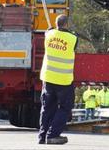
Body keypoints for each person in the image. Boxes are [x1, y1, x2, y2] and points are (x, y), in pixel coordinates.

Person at [39, 14, 77, 145]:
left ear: (56, 23)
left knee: (47, 107)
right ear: (66, 24)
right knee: (65, 107)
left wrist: (52, 30)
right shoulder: (73, 38)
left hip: (48, 78)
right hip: (63, 80)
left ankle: (42, 136)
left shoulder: (48, 35)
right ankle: (53, 135)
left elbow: (48, 32)